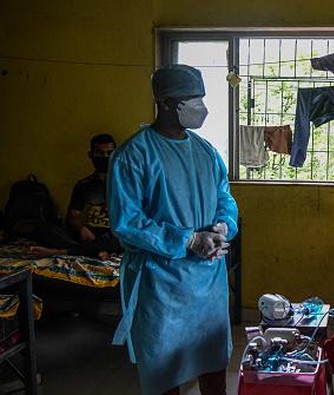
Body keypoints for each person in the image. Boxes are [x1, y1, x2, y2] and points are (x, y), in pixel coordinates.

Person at [108, 64, 239, 395]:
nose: (201, 108)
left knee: (212, 360)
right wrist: (189, 239)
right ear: (165, 103)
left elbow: (225, 198)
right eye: (190, 100)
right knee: (166, 370)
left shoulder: (206, 152)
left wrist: (223, 226)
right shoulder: (134, 155)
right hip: (163, 284)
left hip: (208, 281)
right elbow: (127, 222)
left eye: (201, 98)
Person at [29, 134, 122, 259]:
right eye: (99, 153)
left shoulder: (127, 184)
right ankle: (93, 251)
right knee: (45, 230)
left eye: (109, 153)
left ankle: (62, 252)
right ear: (91, 155)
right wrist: (81, 229)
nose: (104, 157)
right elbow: (73, 216)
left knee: (126, 238)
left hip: (113, 235)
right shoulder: (83, 185)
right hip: (88, 234)